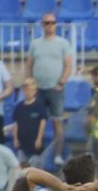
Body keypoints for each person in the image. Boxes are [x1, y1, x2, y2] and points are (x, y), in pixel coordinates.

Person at [25, 13, 71, 165]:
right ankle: (36, 153)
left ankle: (57, 155)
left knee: (57, 123)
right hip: (38, 89)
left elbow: (68, 65)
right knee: (35, 122)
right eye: (47, 23)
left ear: (56, 24)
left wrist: (61, 82)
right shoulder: (35, 44)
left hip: (55, 89)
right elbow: (29, 64)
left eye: (52, 22)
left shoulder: (63, 43)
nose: (50, 25)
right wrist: (29, 83)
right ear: (42, 25)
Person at [9, 79, 48, 168]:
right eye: (26, 90)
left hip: (35, 145)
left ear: (35, 91)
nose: (28, 92)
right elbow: (16, 124)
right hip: (22, 145)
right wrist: (15, 139)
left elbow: (42, 123)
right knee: (21, 170)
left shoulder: (39, 106)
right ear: (23, 91)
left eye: (31, 90)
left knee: (35, 171)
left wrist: (39, 138)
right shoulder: (19, 107)